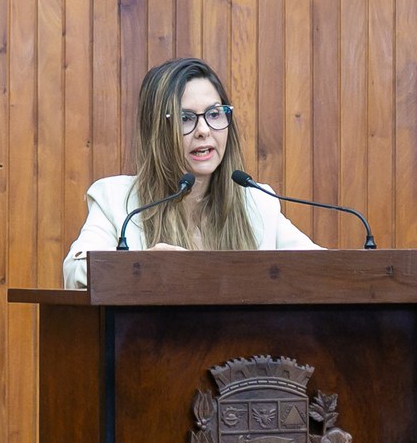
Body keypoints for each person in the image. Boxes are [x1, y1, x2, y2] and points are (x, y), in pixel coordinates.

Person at [63, 58, 321, 289]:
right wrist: (139, 266)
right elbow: (75, 273)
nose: (204, 130)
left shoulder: (257, 202)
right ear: (157, 130)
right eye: (185, 118)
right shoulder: (117, 200)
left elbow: (321, 267)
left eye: (214, 114)